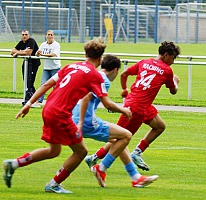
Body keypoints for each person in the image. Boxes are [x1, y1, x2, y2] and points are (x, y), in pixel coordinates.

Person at [3, 37, 132, 194]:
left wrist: (29, 104)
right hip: (61, 114)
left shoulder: (71, 66)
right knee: (81, 152)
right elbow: (107, 104)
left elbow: (46, 84)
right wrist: (124, 110)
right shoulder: (95, 75)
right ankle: (54, 184)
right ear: (100, 58)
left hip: (48, 109)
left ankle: (14, 164)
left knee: (54, 151)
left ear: (86, 54)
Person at [84, 41, 181, 171]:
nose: (173, 61)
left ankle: (137, 152)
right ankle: (94, 158)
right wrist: (175, 81)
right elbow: (173, 91)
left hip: (139, 103)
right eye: (173, 58)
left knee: (160, 126)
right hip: (137, 108)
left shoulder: (144, 62)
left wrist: (124, 89)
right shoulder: (167, 70)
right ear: (166, 54)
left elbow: (124, 74)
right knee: (121, 137)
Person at [72, 54, 158, 188]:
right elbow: (93, 99)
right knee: (126, 135)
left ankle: (136, 178)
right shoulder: (104, 80)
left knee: (120, 140)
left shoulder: (94, 74)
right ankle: (101, 168)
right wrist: (122, 110)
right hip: (87, 122)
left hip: (72, 119)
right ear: (115, 70)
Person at [11, 29, 41, 106]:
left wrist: (17, 52)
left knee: (30, 81)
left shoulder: (31, 41)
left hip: (33, 63)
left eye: (26, 34)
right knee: (26, 81)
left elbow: (28, 52)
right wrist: (20, 52)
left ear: (29, 35)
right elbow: (12, 51)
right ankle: (34, 98)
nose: (24, 36)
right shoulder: (21, 42)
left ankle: (30, 100)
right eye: (23, 34)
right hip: (26, 62)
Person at [35, 30, 61, 106]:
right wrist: (38, 53)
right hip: (46, 68)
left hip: (55, 68)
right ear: (46, 36)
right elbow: (37, 54)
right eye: (48, 35)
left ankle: (56, 101)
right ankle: (39, 101)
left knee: (55, 86)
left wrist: (43, 54)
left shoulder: (56, 45)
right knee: (43, 84)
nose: (49, 36)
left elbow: (53, 55)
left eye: (51, 35)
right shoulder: (43, 44)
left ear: (53, 36)